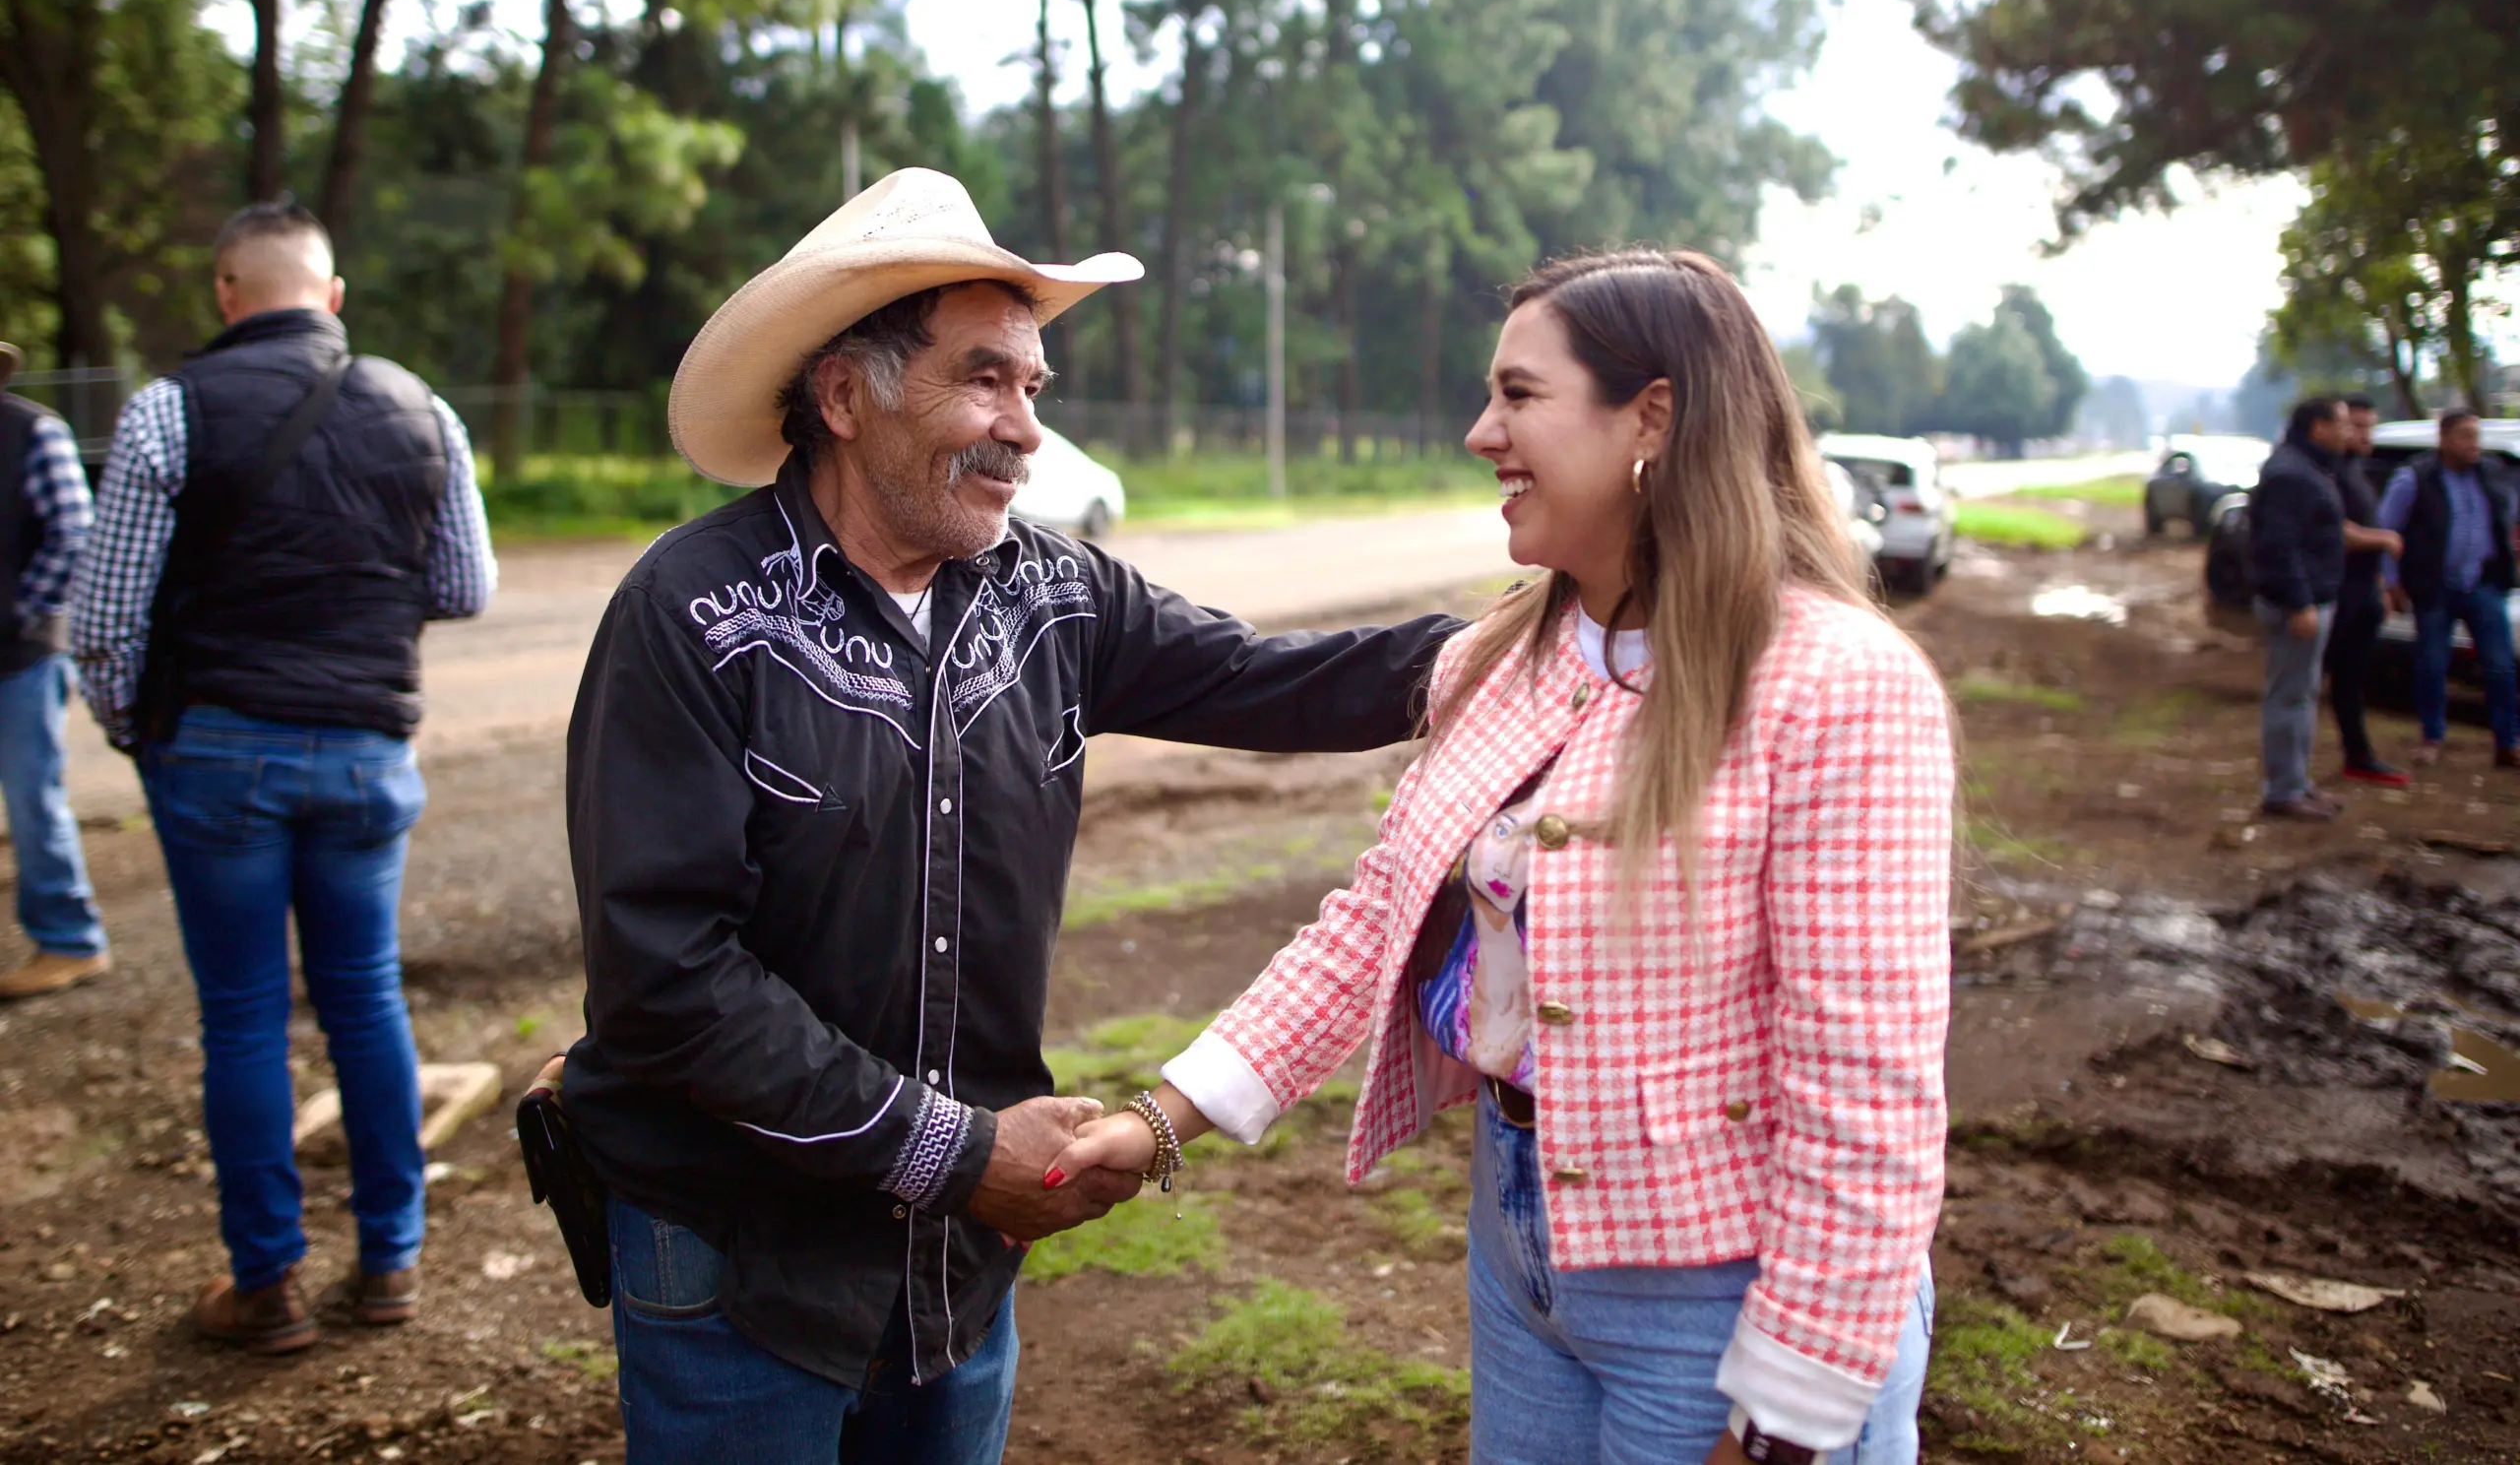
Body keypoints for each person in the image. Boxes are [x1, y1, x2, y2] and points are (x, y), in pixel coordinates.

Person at [560, 168, 1457, 1464]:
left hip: (960, 1269)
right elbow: (664, 980)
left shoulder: (1052, 593)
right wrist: (951, 1149)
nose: (1026, 430)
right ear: (843, 395)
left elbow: (1273, 678)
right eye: (984, 378)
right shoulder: (695, 614)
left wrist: (1518, 641)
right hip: (741, 1263)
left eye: (1033, 388)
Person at [1052, 249, 1952, 1465]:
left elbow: (1866, 1087)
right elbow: (1373, 925)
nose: (1482, 433)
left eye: (1519, 396)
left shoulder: (1838, 684)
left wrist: (1789, 1416)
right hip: (1520, 1250)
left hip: (1727, 1292)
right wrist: (1159, 1119)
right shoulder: (1499, 658)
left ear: (1654, 416)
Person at [70, 202, 497, 1353]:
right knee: (366, 999)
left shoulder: (170, 410)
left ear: (226, 293)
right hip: (366, 753)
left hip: (216, 753)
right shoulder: (423, 408)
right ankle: (392, 1262)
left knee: (245, 1020)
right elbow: (465, 584)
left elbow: (104, 621)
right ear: (334, 295)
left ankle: (267, 1285)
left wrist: (141, 736)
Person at [0, 341, 110, 999]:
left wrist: (19, 610)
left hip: (20, 656)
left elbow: (74, 533)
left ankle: (69, 940)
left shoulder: (32, 432)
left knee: (33, 800)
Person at [2378, 408, 2517, 770]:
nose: (2474, 444)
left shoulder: (2490, 473)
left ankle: (2508, 741)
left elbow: (2508, 518)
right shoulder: (2415, 478)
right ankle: (2432, 737)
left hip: (2482, 583)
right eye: (2465, 436)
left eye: (2476, 436)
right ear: (2444, 439)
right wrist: (2391, 581)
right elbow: (2388, 531)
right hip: (2435, 585)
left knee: (2500, 664)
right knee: (2432, 663)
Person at [2247, 396, 2354, 820]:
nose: (2349, 432)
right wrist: (2300, 603)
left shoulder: (2308, 468)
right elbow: (2280, 545)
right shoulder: (2291, 474)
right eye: (2342, 423)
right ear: (2318, 427)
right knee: (2289, 697)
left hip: (2312, 598)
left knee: (2303, 695)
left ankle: (2297, 782)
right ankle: (2283, 791)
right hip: (2297, 604)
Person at [2324, 395, 2407, 787]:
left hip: (2362, 592)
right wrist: (2384, 540)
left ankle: (2358, 755)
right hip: (2335, 592)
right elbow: (2337, 531)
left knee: (2352, 680)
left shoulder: (2356, 472)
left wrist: (2380, 582)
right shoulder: (2328, 473)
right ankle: (2288, 773)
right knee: (2312, 681)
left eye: (2369, 426)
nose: (2363, 435)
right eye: (2355, 426)